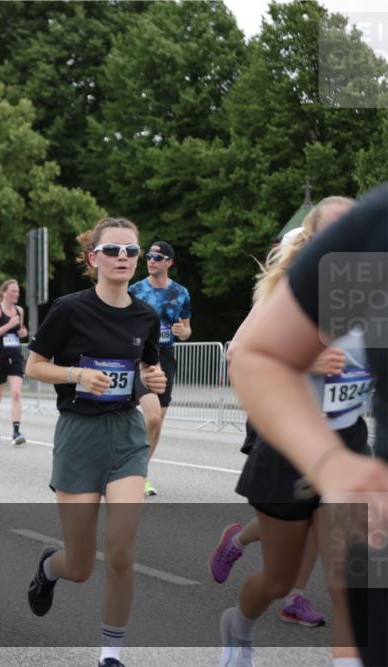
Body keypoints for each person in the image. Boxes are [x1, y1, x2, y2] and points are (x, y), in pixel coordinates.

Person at [224, 194, 380, 667]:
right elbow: (240, 354)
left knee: (350, 586)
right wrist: (305, 360)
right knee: (276, 580)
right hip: (288, 450)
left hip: (348, 444)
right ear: (310, 244)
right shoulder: (285, 292)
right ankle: (239, 628)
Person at [24, 217, 166, 667]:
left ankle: (111, 654)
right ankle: (49, 568)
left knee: (122, 551)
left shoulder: (146, 314)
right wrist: (76, 374)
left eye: (131, 251)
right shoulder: (69, 309)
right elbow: (34, 366)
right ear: (94, 259)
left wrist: (152, 378)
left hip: (125, 434)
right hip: (79, 434)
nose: (123, 257)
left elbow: (145, 369)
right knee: (82, 566)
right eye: (113, 251)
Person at [127, 241, 191, 497]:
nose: (151, 260)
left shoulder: (181, 293)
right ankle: (131, 470)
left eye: (157, 257)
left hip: (165, 357)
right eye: (149, 257)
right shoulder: (135, 290)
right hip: (139, 357)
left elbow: (187, 330)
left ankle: (140, 474)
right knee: (150, 416)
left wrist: (182, 331)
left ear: (169, 262)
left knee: (157, 421)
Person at [0, 278, 28, 446]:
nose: (16, 294)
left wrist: (23, 332)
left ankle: (16, 432)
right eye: (13, 291)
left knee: (16, 392)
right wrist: (8, 324)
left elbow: (19, 331)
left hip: (15, 355)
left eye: (18, 291)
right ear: (4, 293)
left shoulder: (19, 310)